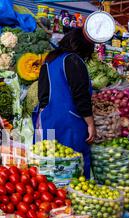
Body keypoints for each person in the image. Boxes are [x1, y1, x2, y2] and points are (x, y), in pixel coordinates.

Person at [33, 28, 96, 178]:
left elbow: (42, 96)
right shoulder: (73, 60)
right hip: (69, 124)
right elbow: (81, 96)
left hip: (47, 120)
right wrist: (90, 123)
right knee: (73, 167)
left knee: (49, 170)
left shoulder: (49, 61)